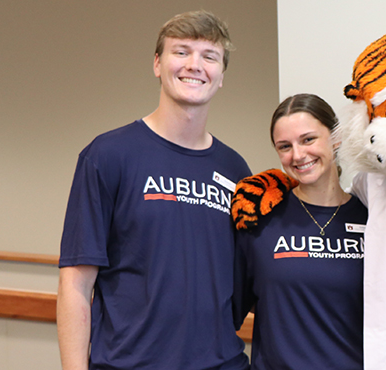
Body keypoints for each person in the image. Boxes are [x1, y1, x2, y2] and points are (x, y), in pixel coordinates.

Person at [56, 10, 251, 370]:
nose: (195, 65)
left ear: (221, 75)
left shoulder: (235, 170)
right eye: (181, 52)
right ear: (157, 64)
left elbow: (242, 285)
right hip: (129, 363)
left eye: (210, 56)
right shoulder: (108, 155)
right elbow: (75, 285)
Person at [233, 94, 367, 369]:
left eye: (308, 139)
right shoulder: (261, 219)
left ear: (336, 137)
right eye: (284, 146)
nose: (297, 155)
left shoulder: (372, 219)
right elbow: (228, 313)